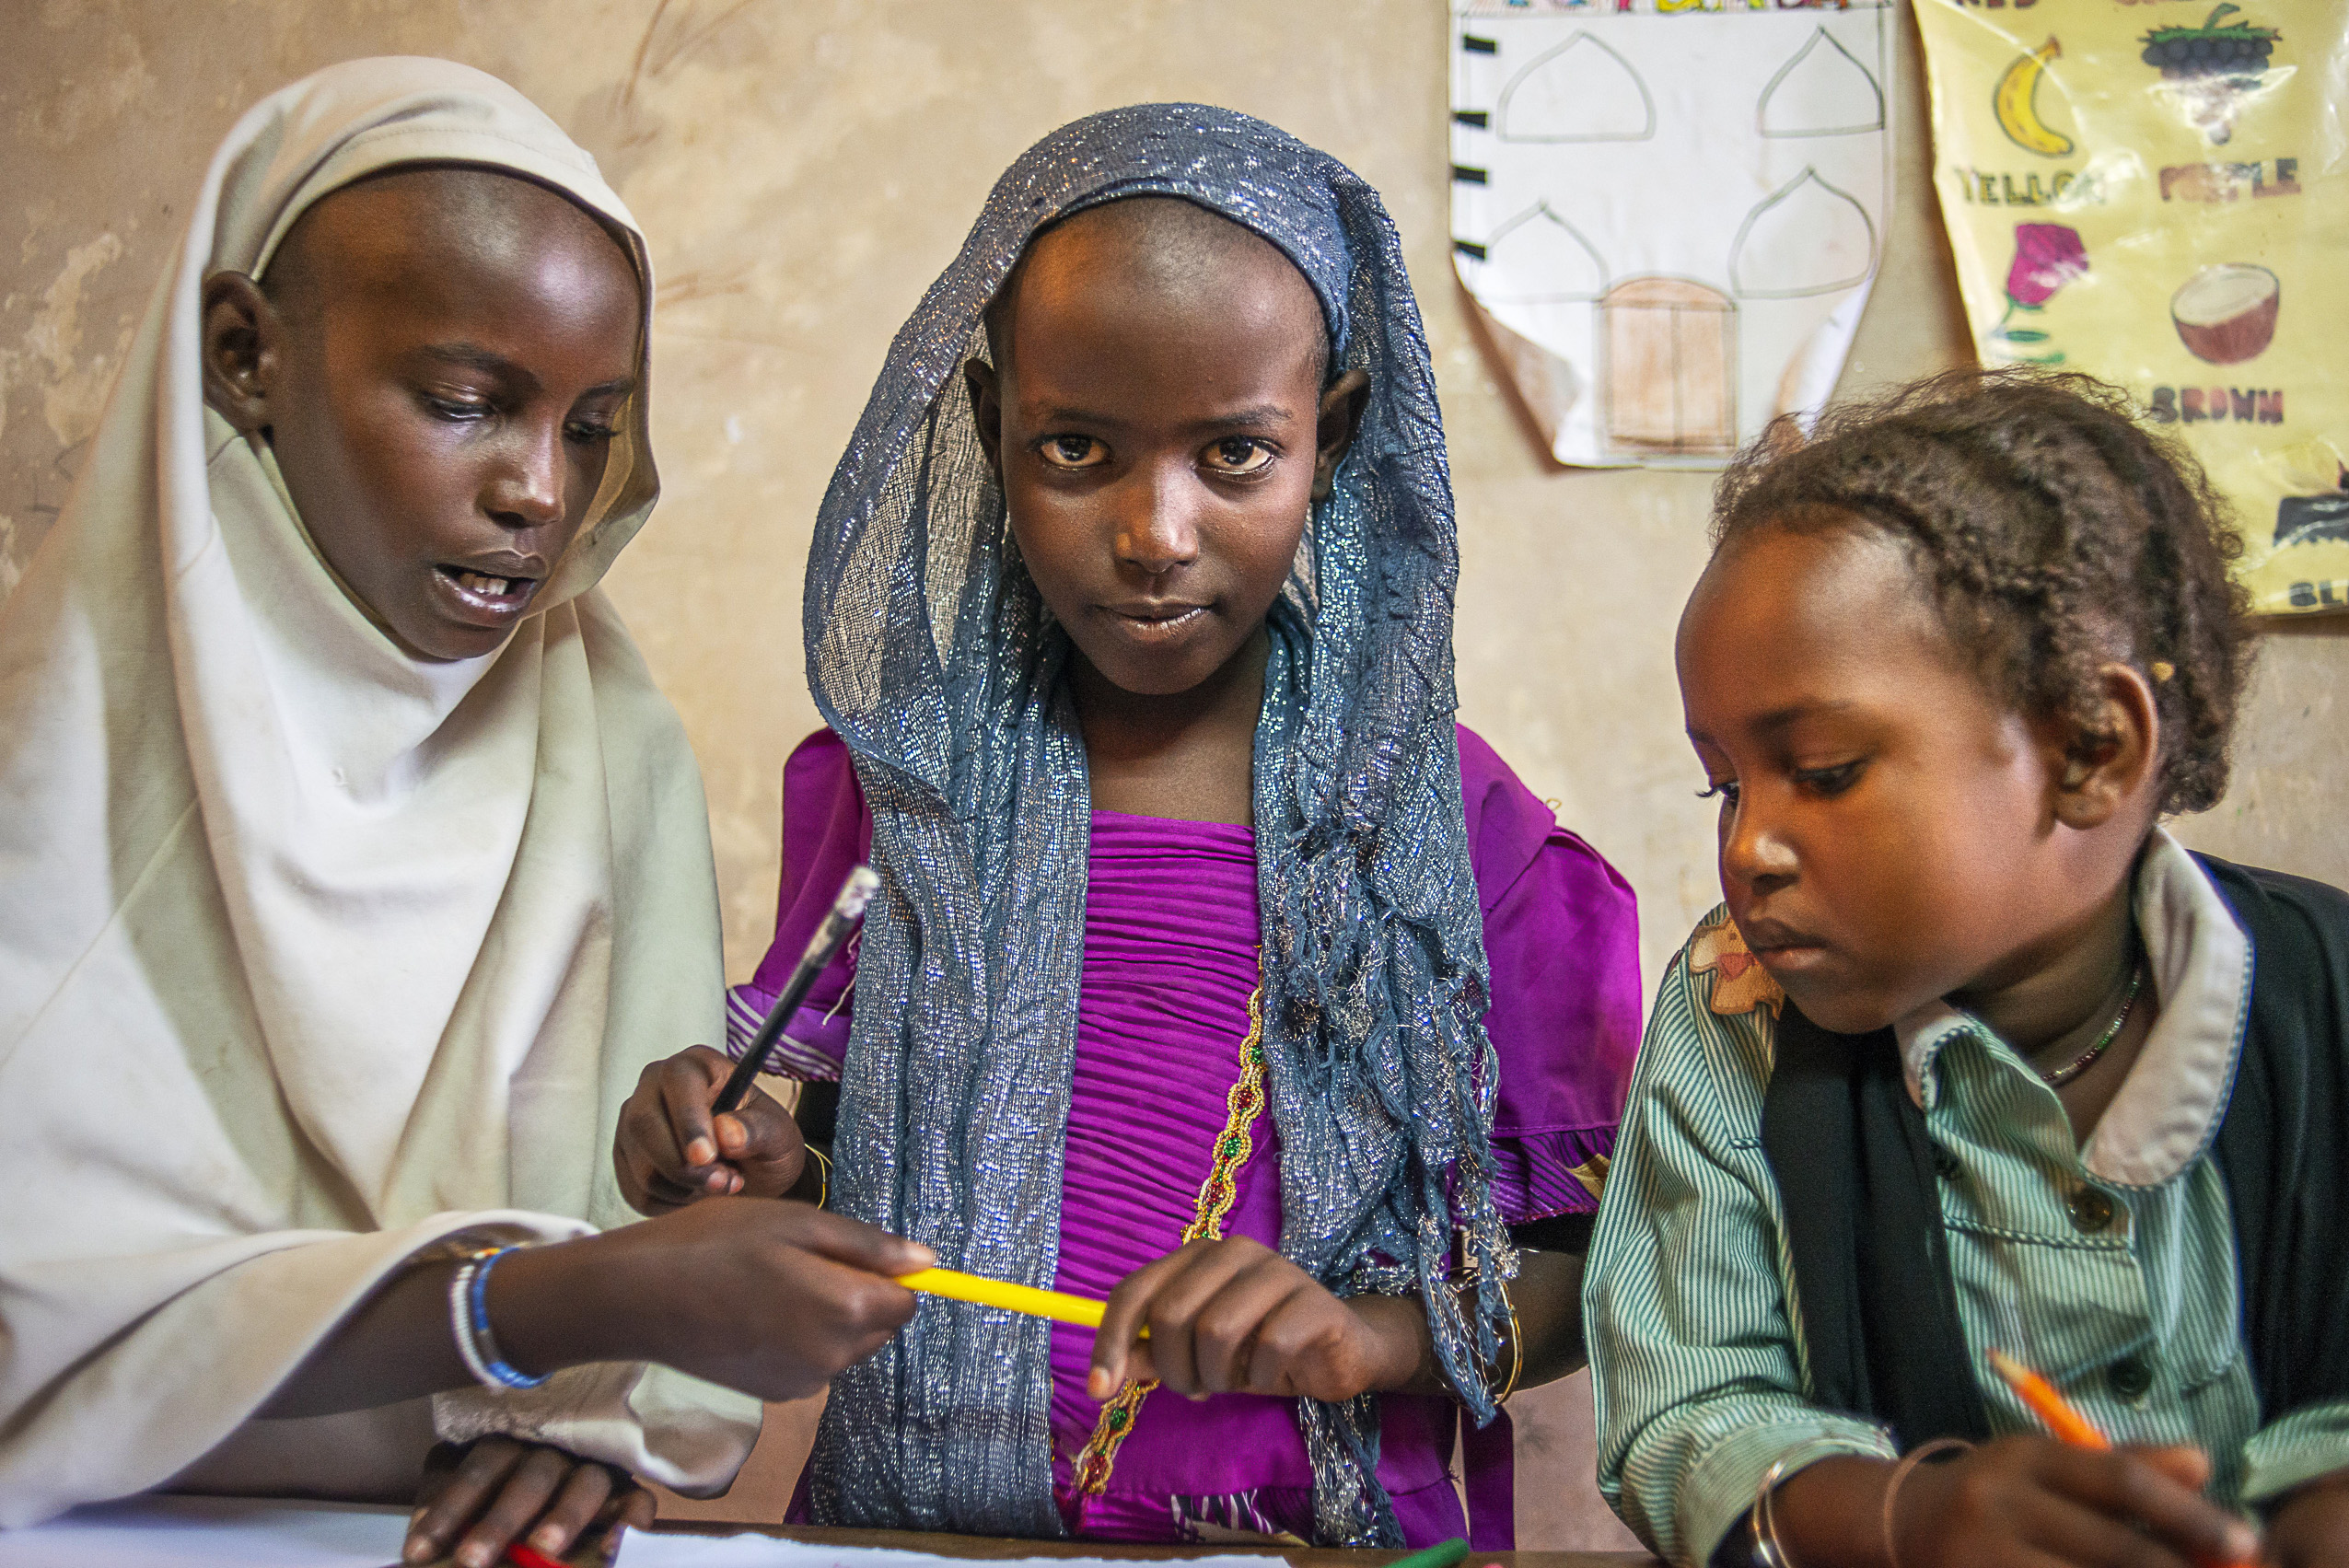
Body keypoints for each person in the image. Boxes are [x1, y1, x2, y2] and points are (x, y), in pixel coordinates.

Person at [615, 105, 1642, 1548]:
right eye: (1079, 447)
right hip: (920, 1537)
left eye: (1234, 454)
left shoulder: (1461, 852)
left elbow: (1608, 1273)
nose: (1156, 531)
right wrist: (760, 1161)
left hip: (1299, 1545)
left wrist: (1370, 1338)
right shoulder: (896, 793)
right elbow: (859, 1154)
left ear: (1332, 441)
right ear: (990, 427)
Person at [0, 59, 930, 1568]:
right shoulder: (58, 749)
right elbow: (40, 1315)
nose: (539, 495)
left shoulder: (606, 735)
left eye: (588, 428)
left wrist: (603, 1393)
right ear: (246, 353)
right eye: (463, 404)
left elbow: (643, 1311)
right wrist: (561, 1304)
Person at [1585, 369, 2349, 1568]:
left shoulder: (2333, 999)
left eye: (1825, 770)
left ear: (2091, 750)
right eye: (1725, 783)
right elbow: (1684, 1410)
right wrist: (1912, 1518)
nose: (1747, 849)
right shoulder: (1735, 1014)